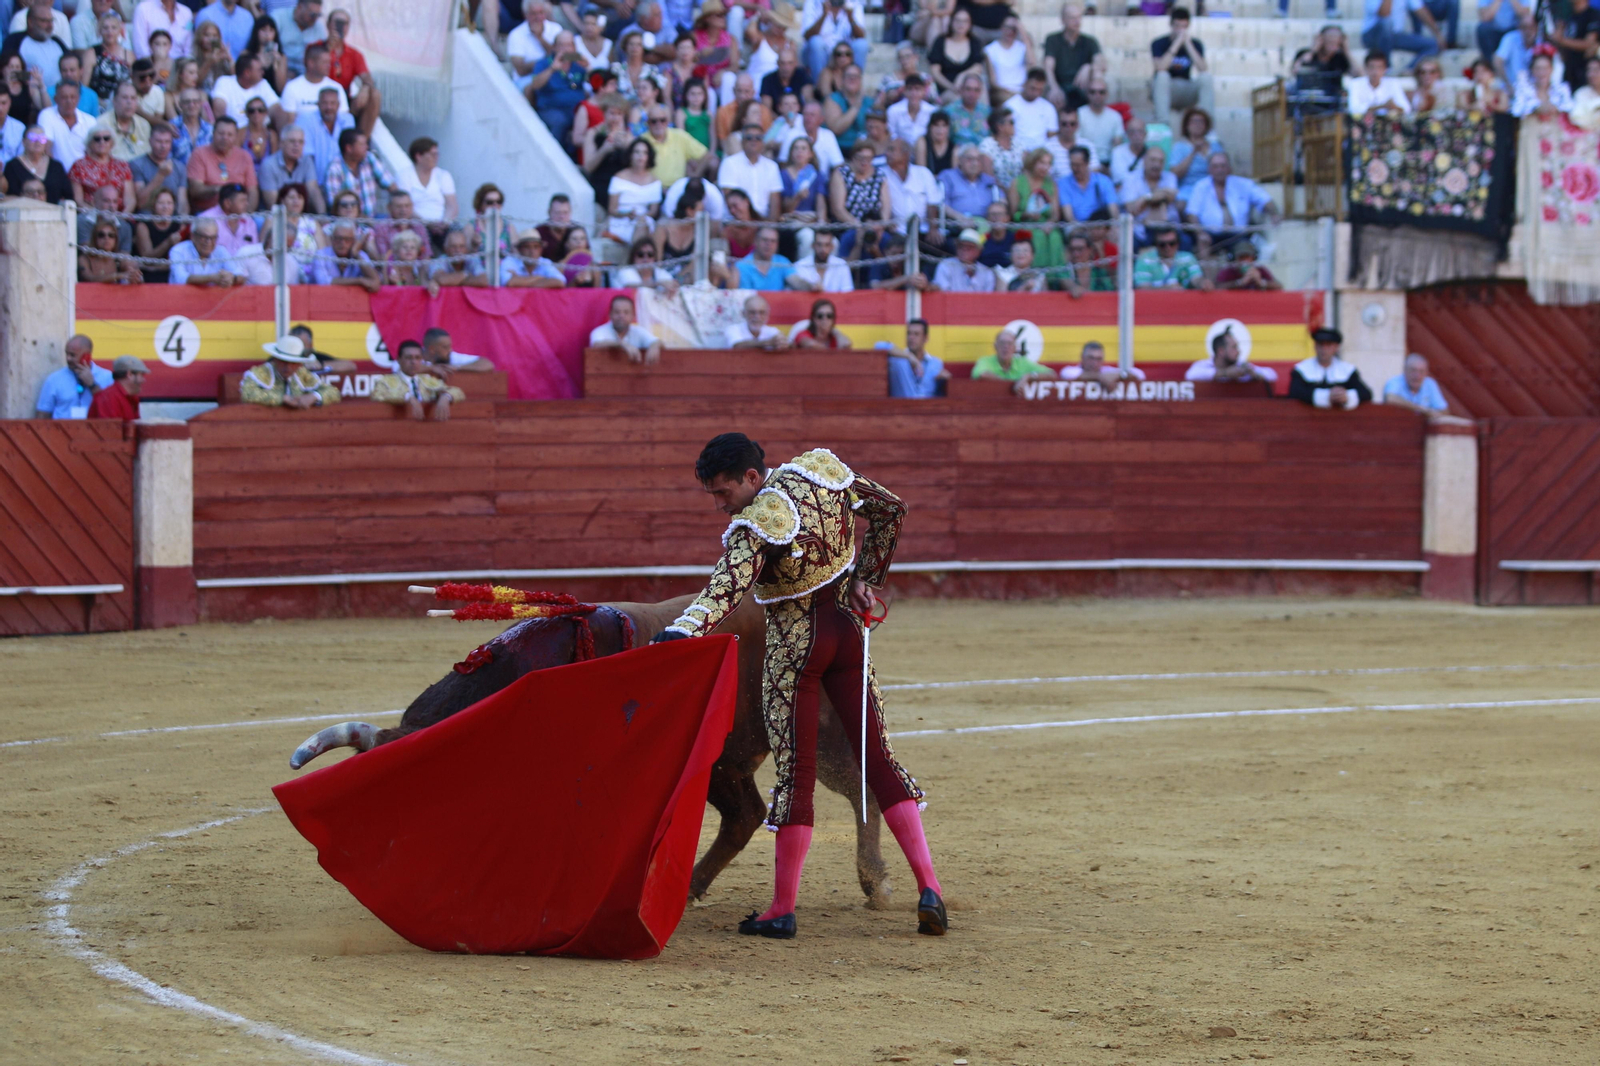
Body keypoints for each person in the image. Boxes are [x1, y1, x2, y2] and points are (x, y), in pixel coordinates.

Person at [651, 432, 948, 940]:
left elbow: (724, 589)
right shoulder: (818, 472)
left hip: (796, 647)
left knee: (796, 774)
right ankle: (931, 890)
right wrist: (866, 578)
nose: (721, 507)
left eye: (723, 493)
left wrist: (680, 630)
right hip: (848, 634)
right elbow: (890, 510)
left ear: (751, 477)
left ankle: (781, 910)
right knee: (880, 760)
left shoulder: (754, 525)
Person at [1185, 151, 1276, 260]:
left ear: (1229, 168)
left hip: (1238, 235)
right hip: (1211, 235)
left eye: (1223, 166)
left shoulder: (1243, 184)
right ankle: (1207, 277)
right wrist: (1200, 233)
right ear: (1209, 169)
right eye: (1215, 166)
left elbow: (1264, 199)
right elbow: (1192, 214)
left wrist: (1274, 213)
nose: (1219, 170)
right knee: (1202, 243)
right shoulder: (1200, 187)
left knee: (1245, 250)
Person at [371, 338, 466, 421]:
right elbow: (378, 395)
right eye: (409, 358)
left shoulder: (428, 381)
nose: (413, 362)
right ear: (399, 360)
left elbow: (458, 392)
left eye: (417, 358)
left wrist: (445, 397)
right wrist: (408, 398)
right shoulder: (385, 381)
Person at [240, 334, 342, 408]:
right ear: (275, 359)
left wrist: (314, 396)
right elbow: (247, 393)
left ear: (299, 364)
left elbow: (334, 392)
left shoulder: (302, 374)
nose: (288, 367)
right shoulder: (260, 373)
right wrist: (282, 398)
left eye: (293, 363)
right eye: (284, 362)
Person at [1152, 7, 1213, 129]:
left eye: (1184, 27)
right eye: (1177, 26)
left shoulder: (1196, 44)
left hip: (1186, 87)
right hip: (1167, 88)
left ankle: (1208, 127)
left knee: (1206, 78)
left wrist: (1188, 45)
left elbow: (1203, 68)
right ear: (1171, 24)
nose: (1180, 30)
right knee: (1162, 76)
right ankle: (1163, 125)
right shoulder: (1159, 43)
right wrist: (1176, 44)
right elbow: (1160, 67)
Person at [528, 31, 589, 150]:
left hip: (575, 109)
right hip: (551, 108)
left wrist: (589, 67)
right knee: (560, 121)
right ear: (554, 47)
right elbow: (535, 85)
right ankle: (554, 153)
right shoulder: (544, 64)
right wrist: (552, 69)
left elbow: (593, 87)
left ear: (574, 48)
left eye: (569, 45)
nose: (565, 49)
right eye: (561, 45)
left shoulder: (578, 65)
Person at [322, 9, 378, 134]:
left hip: (344, 99)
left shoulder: (354, 54)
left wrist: (366, 88)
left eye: (344, 23)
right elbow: (315, 72)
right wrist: (328, 49)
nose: (341, 27)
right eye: (337, 22)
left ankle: (362, 141)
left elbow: (368, 78)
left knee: (375, 94)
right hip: (321, 98)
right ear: (328, 24)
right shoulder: (316, 47)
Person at [186, 112, 256, 211]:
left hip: (238, 214)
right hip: (207, 213)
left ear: (236, 137)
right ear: (213, 133)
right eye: (221, 133)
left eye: (230, 135)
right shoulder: (199, 154)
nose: (225, 138)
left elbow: (252, 191)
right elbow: (195, 190)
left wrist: (247, 214)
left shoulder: (244, 156)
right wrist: (219, 190)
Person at [718, 118, 784, 221]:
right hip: (736, 221)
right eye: (749, 137)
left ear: (762, 142)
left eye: (758, 138)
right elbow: (731, 198)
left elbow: (775, 201)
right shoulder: (729, 163)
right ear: (742, 142)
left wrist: (771, 225)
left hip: (764, 222)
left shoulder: (772, 166)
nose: (754, 140)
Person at [1290, 327, 1372, 410]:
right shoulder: (1302, 369)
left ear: (1336, 348)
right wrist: (1326, 396)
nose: (1324, 349)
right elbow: (1295, 393)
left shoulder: (1347, 370)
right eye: (1320, 344)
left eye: (1328, 345)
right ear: (1315, 346)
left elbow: (1366, 393)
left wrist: (1346, 396)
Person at [34, 334, 110, 419]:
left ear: (87, 356)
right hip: (62, 430)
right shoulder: (54, 379)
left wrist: (92, 385)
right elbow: (42, 414)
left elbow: (110, 411)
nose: (68, 359)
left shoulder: (107, 377)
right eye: (67, 354)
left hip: (94, 430)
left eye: (73, 355)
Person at [1043, 2, 1098, 111]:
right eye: (1073, 18)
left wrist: (1089, 67)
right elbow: (1048, 66)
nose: (1077, 22)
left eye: (1079, 17)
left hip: (1082, 89)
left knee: (1098, 74)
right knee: (1053, 95)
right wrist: (1054, 88)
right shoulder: (1053, 39)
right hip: (1060, 88)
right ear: (1063, 20)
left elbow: (1101, 62)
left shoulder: (1089, 41)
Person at [210, 50, 286, 126]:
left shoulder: (263, 84)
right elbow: (219, 107)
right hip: (232, 133)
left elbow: (275, 107)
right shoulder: (224, 82)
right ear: (247, 73)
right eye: (259, 70)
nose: (263, 72)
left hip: (259, 133)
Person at [1361, 0, 1443, 70]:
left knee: (1433, 45)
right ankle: (1386, 68)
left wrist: (1437, 34)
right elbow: (1384, 13)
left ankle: (1409, 70)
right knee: (1386, 23)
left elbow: (1420, 10)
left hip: (1395, 36)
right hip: (1372, 36)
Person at [801, 0, 870, 83]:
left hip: (843, 54)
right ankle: (819, 87)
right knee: (816, 42)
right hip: (820, 53)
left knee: (861, 45)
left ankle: (854, 86)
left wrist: (850, 17)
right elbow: (807, 36)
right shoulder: (813, 2)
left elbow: (861, 36)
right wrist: (824, 15)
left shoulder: (854, 3)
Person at [1120, 144, 1176, 246]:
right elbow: (1131, 208)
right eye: (1153, 160)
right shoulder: (1130, 178)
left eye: (1160, 161)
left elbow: (1170, 197)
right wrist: (1158, 197)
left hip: (1168, 230)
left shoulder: (1170, 177)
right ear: (1144, 160)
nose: (1157, 165)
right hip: (1140, 231)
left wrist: (1145, 199)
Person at [257, 122, 321, 210]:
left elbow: (313, 191)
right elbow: (272, 202)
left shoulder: (307, 161)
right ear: (281, 143)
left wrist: (323, 216)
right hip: (274, 216)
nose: (296, 145)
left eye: (300, 142)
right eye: (292, 141)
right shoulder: (268, 165)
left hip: (300, 215)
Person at [69, 126, 135, 209]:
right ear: (89, 143)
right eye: (97, 139)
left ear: (112, 143)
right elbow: (78, 200)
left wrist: (121, 218)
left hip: (119, 216)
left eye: (106, 138)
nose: (102, 142)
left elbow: (130, 200)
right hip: (89, 215)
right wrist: (96, 216)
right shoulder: (79, 165)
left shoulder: (122, 165)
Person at [169, 216, 247, 285]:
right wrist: (212, 278)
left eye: (213, 238)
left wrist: (232, 278)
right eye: (204, 237)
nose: (208, 242)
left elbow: (240, 274)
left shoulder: (221, 251)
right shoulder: (178, 251)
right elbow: (181, 279)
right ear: (193, 236)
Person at [880, 318, 948, 398]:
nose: (911, 337)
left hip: (926, 408)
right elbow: (879, 345)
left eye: (916, 334)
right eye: (909, 334)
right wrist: (910, 356)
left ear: (925, 338)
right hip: (900, 408)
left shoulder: (935, 363)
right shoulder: (899, 359)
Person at [1166, 105, 1220, 204]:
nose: (1197, 125)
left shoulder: (1215, 146)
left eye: (1201, 122)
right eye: (1193, 122)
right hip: (1188, 190)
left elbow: (1224, 171)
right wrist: (1193, 153)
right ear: (1187, 126)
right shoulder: (1179, 147)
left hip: (1212, 189)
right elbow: (1174, 174)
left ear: (1206, 125)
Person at [1185, 326, 1277, 383]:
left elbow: (1272, 375)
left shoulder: (1241, 367)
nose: (1238, 351)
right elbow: (1190, 375)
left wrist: (1254, 374)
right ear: (1221, 351)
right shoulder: (1204, 365)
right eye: (1234, 347)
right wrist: (1226, 373)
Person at [589, 293, 661, 364]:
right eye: (617, 312)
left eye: (626, 312)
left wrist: (654, 346)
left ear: (633, 316)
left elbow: (656, 341)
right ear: (610, 314)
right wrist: (622, 344)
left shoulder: (638, 331)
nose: (621, 316)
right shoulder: (599, 331)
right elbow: (597, 344)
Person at [927, 9, 981, 101]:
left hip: (969, 89)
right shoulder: (940, 41)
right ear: (951, 22)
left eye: (965, 21)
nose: (961, 24)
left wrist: (962, 75)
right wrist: (952, 87)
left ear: (970, 24)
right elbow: (935, 72)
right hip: (946, 89)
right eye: (958, 20)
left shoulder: (974, 42)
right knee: (957, 101)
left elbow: (978, 66)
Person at [1058, 144, 1118, 226]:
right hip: (1075, 226)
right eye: (1072, 165)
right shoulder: (1064, 183)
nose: (1075, 169)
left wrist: (1114, 227)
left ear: (1087, 163)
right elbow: (1069, 216)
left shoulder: (1103, 181)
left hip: (1100, 226)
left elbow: (1113, 209)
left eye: (1078, 165)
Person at [310, 219, 379, 291]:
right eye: (338, 238)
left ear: (354, 241)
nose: (342, 243)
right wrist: (359, 280)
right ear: (332, 239)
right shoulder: (321, 255)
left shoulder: (360, 255)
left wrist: (355, 254)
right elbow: (323, 282)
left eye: (347, 239)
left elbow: (375, 283)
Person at [39, 77, 93, 169]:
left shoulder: (90, 121)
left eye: (73, 97)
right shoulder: (46, 115)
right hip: (56, 174)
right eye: (64, 97)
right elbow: (46, 149)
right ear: (56, 99)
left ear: (78, 99)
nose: (69, 101)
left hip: (84, 175)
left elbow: (93, 153)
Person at [1133, 225, 1210, 289]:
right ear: (1156, 245)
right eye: (1162, 244)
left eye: (1172, 243)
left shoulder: (1188, 258)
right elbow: (1141, 288)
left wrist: (1202, 283)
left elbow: (1196, 278)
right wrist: (1167, 289)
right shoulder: (1145, 259)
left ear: (1178, 243)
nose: (1167, 247)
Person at [134, 186, 184, 281]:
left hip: (172, 272)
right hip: (149, 275)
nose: (166, 207)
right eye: (161, 203)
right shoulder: (143, 226)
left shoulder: (179, 226)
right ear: (153, 205)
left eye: (169, 203)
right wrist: (168, 242)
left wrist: (157, 267)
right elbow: (147, 259)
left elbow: (178, 260)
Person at [92, 81, 151, 162]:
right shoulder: (101, 124)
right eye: (125, 97)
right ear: (114, 101)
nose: (129, 102)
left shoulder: (144, 125)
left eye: (133, 98)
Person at [508, 0, 560, 91]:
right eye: (534, 14)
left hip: (555, 75)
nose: (538, 17)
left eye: (541, 12)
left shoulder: (556, 29)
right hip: (527, 79)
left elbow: (565, 57)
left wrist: (540, 38)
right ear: (525, 15)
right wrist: (548, 61)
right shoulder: (516, 35)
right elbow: (521, 70)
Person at [199, 181, 259, 257]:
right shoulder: (206, 220)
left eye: (246, 200)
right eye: (242, 201)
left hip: (245, 267)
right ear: (227, 203)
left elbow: (254, 252)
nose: (246, 204)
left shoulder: (248, 221)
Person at [1552, 0, 1600, 94]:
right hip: (1569, 69)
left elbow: (1589, 43)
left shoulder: (1593, 14)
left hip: (1585, 71)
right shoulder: (1569, 16)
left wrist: (1561, 40)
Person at [1512, 49, 1575, 118]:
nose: (1542, 73)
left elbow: (1571, 108)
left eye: (1545, 68)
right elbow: (1516, 111)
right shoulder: (1523, 89)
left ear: (1551, 69)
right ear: (1532, 70)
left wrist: (1556, 109)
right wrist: (1535, 110)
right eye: (1538, 68)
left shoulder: (1562, 88)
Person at [271, 0, 326, 77]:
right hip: (279, 70)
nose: (315, 19)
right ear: (300, 7)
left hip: (307, 74)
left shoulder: (318, 27)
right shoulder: (279, 17)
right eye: (312, 15)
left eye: (318, 15)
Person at [1348, 50, 1411, 116]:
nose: (1375, 72)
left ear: (1385, 69)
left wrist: (1394, 106)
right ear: (1366, 68)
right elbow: (1353, 109)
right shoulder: (1355, 84)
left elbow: (1407, 108)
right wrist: (1382, 106)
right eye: (1372, 67)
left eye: (1379, 67)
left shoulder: (1393, 83)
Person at [971, 329, 1051, 381]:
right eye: (1002, 343)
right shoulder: (985, 361)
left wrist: (1029, 376)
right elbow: (981, 374)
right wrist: (1010, 384)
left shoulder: (1023, 363)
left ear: (1015, 348)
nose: (1006, 347)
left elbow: (1051, 374)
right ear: (995, 346)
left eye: (1009, 344)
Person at [1383, 352, 1449, 414]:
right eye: (1413, 370)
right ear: (1405, 370)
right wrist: (1424, 410)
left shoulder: (1430, 384)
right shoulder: (1395, 381)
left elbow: (1444, 410)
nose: (1417, 376)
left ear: (1426, 373)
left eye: (1421, 371)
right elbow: (1390, 399)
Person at [933, 227, 997, 291]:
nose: (964, 249)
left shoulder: (986, 273)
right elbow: (942, 293)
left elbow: (988, 298)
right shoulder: (946, 265)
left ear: (978, 251)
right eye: (961, 246)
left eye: (970, 247)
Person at [86, 355, 148, 420]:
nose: (143, 380)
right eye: (141, 375)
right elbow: (111, 429)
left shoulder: (132, 398)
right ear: (130, 375)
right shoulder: (109, 398)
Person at [1060, 340, 1145, 385]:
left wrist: (1121, 375)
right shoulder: (1071, 370)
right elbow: (1068, 374)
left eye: (1098, 359)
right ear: (1082, 358)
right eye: (1091, 358)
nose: (1094, 362)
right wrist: (1101, 377)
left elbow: (1139, 374)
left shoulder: (1107, 372)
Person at [500, 231, 566, 287]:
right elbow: (510, 282)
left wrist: (521, 282)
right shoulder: (510, 261)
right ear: (519, 249)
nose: (532, 251)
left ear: (541, 249)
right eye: (527, 247)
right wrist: (539, 278)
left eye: (536, 247)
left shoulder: (545, 262)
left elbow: (560, 282)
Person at [1493, 18, 1538, 95]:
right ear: (1519, 28)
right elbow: (1497, 61)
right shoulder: (1510, 38)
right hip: (1512, 88)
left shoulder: (1542, 42)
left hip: (1535, 90)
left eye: (1531, 27)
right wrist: (1508, 84)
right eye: (1525, 27)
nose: (1528, 31)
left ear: (1536, 28)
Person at [423, 327, 495, 374]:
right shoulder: (416, 355)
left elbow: (487, 364)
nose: (450, 350)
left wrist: (458, 367)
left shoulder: (451, 356)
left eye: (450, 346)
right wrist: (431, 369)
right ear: (431, 349)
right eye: (445, 347)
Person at [1215, 240, 1281, 290]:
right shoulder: (1228, 271)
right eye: (1241, 257)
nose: (1245, 261)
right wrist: (1238, 283)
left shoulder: (1260, 270)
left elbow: (1279, 286)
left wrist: (1261, 282)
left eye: (1247, 257)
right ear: (1235, 259)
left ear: (1253, 258)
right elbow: (1217, 288)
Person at [1572, 55, 1600, 130]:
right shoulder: (1580, 93)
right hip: (1588, 136)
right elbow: (1578, 119)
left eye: (1596, 70)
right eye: (1589, 70)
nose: (1591, 74)